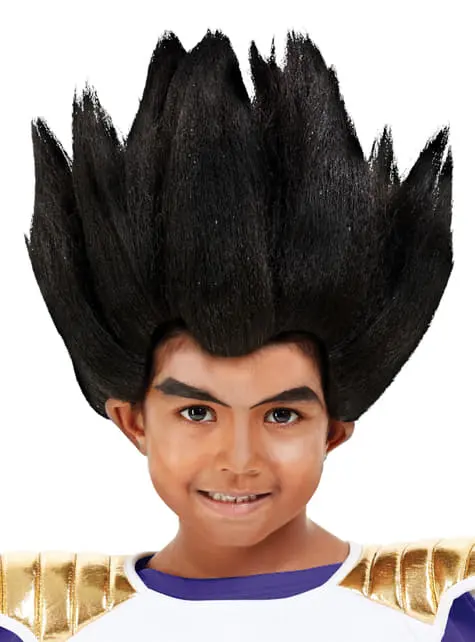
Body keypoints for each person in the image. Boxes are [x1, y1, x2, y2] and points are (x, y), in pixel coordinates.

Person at [0, 28, 473, 642]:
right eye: (198, 412)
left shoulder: (444, 609)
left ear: (333, 430)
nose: (240, 460)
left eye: (282, 415)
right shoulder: (31, 619)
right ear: (134, 421)